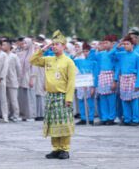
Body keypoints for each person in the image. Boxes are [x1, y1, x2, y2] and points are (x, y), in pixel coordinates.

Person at [30, 30, 76, 159]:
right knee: (53, 124)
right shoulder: (49, 59)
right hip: (50, 96)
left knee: (64, 124)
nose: (55, 47)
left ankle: (65, 149)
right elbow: (33, 60)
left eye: (57, 44)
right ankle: (56, 148)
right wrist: (44, 48)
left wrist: (68, 98)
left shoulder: (68, 61)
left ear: (64, 46)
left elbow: (71, 82)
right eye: (53, 44)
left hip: (62, 96)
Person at [115, 35, 139, 126]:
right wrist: (118, 46)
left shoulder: (137, 56)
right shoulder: (121, 54)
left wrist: (138, 84)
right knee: (124, 100)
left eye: (128, 44)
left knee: (134, 100)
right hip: (123, 78)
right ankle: (127, 119)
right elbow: (112, 54)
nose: (126, 46)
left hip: (133, 79)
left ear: (132, 45)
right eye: (125, 44)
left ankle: (135, 119)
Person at [75, 43, 97, 125]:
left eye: (87, 51)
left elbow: (95, 74)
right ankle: (83, 118)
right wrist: (77, 53)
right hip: (81, 84)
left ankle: (91, 119)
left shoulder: (94, 62)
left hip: (90, 84)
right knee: (81, 101)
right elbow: (70, 59)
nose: (85, 53)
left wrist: (94, 87)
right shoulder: (80, 61)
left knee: (90, 102)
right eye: (84, 51)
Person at [17, 38, 37, 121]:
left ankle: (30, 115)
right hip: (21, 78)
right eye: (23, 43)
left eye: (25, 43)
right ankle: (23, 115)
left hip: (29, 78)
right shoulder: (21, 53)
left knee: (29, 97)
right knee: (22, 97)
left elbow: (34, 68)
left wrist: (32, 79)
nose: (24, 45)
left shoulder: (33, 54)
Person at [2, 39, 22, 122]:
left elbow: (19, 70)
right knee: (5, 100)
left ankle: (16, 115)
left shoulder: (14, 56)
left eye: (4, 45)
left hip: (12, 81)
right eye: (2, 45)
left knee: (13, 100)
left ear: (9, 46)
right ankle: (6, 115)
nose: (3, 46)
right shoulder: (1, 55)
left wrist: (17, 80)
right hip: (3, 81)